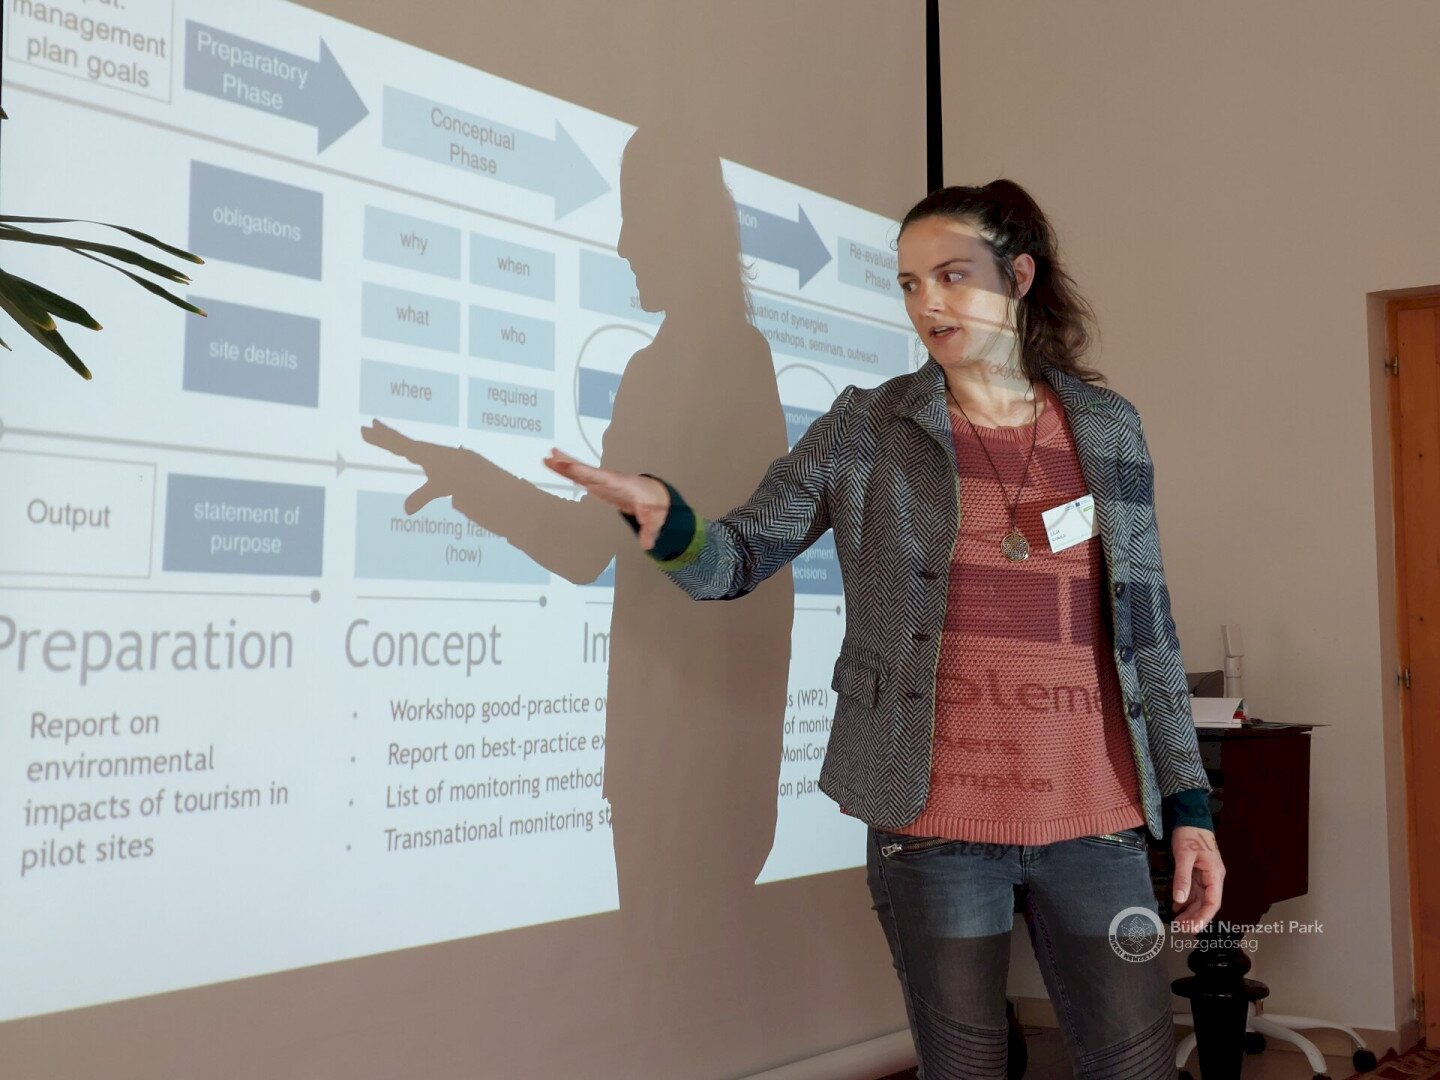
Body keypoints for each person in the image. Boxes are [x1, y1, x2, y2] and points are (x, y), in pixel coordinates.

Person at [541, 180, 1225, 1080]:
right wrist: (671, 523)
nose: (927, 302)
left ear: (1019, 277)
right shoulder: (865, 428)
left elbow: (1149, 629)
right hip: (932, 826)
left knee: (1135, 1068)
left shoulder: (1107, 428)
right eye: (909, 283)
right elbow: (735, 561)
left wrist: (1190, 807)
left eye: (952, 275)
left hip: (1096, 819)